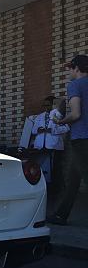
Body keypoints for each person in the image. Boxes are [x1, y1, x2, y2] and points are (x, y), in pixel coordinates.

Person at [49, 54, 88, 225]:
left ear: (77, 68)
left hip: (82, 139)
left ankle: (60, 215)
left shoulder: (75, 85)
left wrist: (60, 121)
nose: (69, 72)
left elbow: (76, 114)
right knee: (73, 179)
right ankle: (60, 215)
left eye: (70, 68)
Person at [31, 97, 69, 188]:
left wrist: (52, 130)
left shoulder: (59, 115)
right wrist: (38, 130)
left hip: (54, 146)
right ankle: (44, 186)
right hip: (40, 146)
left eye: (48, 105)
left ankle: (56, 188)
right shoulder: (39, 116)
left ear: (53, 105)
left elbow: (66, 128)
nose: (46, 107)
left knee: (55, 169)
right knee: (42, 167)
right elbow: (33, 130)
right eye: (44, 105)